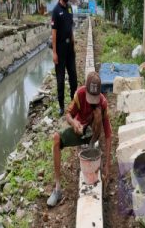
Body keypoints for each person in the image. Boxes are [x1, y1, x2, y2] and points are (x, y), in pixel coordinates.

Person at [47, 71, 112, 207]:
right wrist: (74, 123)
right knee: (56, 138)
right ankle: (58, 189)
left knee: (98, 114)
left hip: (93, 133)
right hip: (79, 130)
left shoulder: (103, 103)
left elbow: (108, 134)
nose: (93, 102)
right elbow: (68, 115)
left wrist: (107, 165)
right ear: (86, 90)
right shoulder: (80, 94)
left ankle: (91, 147)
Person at [51, 0, 77, 116]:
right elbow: (53, 33)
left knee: (73, 76)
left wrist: (73, 42)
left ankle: (73, 101)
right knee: (60, 80)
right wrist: (54, 52)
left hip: (70, 49)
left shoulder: (70, 8)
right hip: (60, 50)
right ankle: (61, 106)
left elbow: (71, 27)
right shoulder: (56, 11)